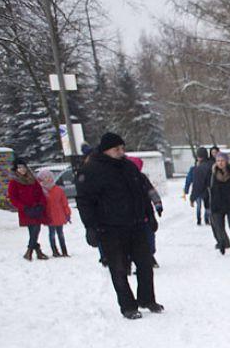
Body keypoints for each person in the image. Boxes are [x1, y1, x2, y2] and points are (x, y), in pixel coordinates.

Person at [75, 131, 162, 319]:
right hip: (110, 228)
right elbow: (84, 201)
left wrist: (150, 215)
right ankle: (128, 306)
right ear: (106, 150)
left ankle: (147, 299)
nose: (121, 152)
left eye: (123, 148)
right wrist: (90, 227)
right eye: (117, 149)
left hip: (137, 224)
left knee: (145, 263)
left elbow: (141, 193)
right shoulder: (91, 171)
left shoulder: (129, 167)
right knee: (119, 268)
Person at [7, 158, 48, 261]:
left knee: (35, 230)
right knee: (34, 230)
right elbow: (13, 198)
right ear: (16, 169)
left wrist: (41, 205)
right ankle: (32, 251)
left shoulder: (33, 180)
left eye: (23, 167)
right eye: (19, 167)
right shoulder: (14, 182)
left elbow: (40, 193)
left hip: (37, 208)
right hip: (26, 210)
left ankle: (33, 251)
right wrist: (23, 207)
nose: (22, 170)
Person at [128, 156, 163, 267]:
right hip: (129, 217)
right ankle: (134, 261)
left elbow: (152, 192)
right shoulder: (121, 180)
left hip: (146, 214)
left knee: (150, 238)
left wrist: (158, 205)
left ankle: (149, 256)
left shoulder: (142, 179)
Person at [36, 168, 71, 257]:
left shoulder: (58, 190)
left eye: (48, 177)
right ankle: (54, 251)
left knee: (61, 234)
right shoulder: (41, 191)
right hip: (49, 216)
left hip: (59, 216)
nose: (47, 179)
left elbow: (64, 203)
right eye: (45, 178)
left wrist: (67, 213)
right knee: (52, 234)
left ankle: (64, 251)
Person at [183, 147, 213, 225]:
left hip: (200, 191)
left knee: (199, 206)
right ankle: (206, 219)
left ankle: (199, 219)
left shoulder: (197, 169)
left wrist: (192, 197)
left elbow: (195, 183)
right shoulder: (212, 164)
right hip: (209, 191)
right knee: (207, 206)